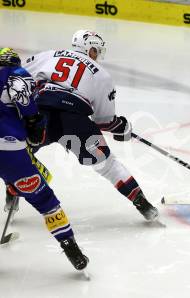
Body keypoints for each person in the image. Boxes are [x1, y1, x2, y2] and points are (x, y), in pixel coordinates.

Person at [21, 30, 158, 222]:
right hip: (74, 123)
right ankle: (144, 206)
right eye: (96, 51)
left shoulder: (48, 55)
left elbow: (18, 79)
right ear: (90, 48)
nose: (97, 56)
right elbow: (105, 121)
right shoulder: (102, 75)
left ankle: (12, 195)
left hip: (39, 116)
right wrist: (123, 128)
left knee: (16, 154)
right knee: (108, 166)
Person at [0, 48, 88, 270]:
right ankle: (70, 247)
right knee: (45, 201)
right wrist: (35, 128)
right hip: (10, 150)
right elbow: (30, 112)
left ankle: (12, 192)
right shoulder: (16, 73)